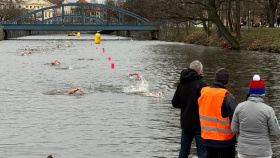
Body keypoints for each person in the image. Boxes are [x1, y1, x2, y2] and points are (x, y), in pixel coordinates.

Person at [231, 75, 280, 158]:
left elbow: (234, 129)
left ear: (250, 91)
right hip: (263, 152)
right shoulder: (268, 110)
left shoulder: (239, 107)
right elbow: (276, 131)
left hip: (243, 151)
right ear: (263, 92)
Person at [198, 68, 238, 158]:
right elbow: (237, 119)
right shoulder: (228, 97)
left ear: (215, 79)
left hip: (207, 139)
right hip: (225, 141)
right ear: (226, 82)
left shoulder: (204, 93)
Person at [172, 60, 207, 158]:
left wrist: (185, 105)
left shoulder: (181, 84)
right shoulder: (202, 85)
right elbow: (206, 105)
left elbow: (175, 103)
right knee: (202, 152)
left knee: (184, 151)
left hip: (186, 123)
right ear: (200, 71)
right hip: (199, 124)